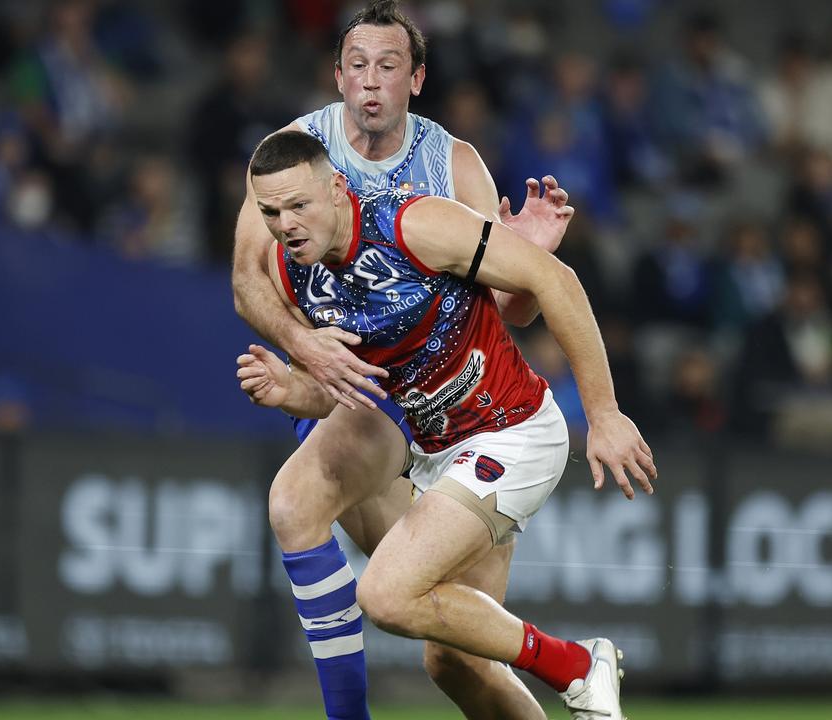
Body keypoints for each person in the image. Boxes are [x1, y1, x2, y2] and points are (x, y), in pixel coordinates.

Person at [239, 130, 656, 720]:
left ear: (337, 188)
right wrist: (292, 390)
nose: (286, 225)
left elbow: (553, 280)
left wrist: (605, 413)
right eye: (270, 212)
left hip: (512, 431)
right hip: (437, 455)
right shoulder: (295, 273)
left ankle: (576, 665)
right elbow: (364, 380)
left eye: (298, 205)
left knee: (384, 594)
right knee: (458, 663)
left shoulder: (413, 223)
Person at [230, 3, 568, 718]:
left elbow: (510, 312)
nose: (370, 83)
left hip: (456, 404)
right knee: (295, 506)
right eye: (357, 67)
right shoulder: (293, 153)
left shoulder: (454, 166)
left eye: (388, 67)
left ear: (416, 79)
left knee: (454, 657)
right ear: (337, 75)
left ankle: (570, 671)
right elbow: (246, 281)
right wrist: (305, 349)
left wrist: (530, 256)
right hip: (366, 395)